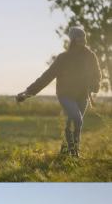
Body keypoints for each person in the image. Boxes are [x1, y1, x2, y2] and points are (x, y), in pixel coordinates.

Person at [16, 26, 102, 157]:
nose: (81, 40)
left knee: (73, 122)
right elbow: (47, 76)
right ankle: (74, 153)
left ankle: (66, 151)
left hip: (82, 95)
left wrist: (95, 85)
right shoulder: (63, 58)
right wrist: (28, 92)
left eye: (83, 37)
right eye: (78, 37)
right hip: (65, 95)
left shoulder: (90, 56)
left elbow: (97, 74)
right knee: (77, 119)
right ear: (72, 39)